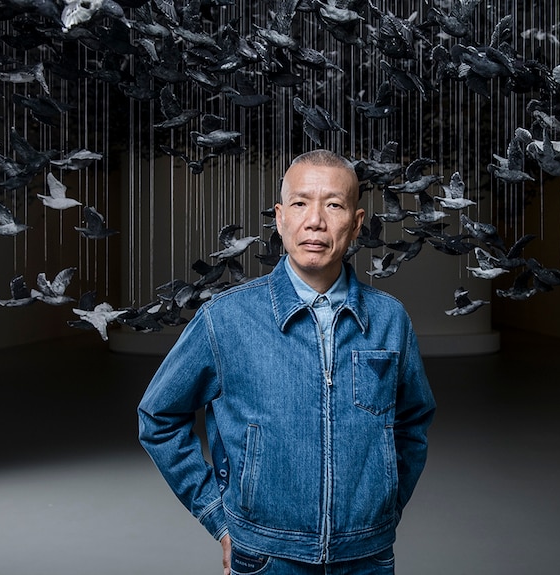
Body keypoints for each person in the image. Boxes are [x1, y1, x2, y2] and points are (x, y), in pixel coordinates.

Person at [138, 149, 436, 574]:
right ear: (280, 218)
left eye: (333, 204)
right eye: (300, 203)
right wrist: (217, 518)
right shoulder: (225, 319)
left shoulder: (389, 318)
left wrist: (381, 505)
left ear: (356, 223)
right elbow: (158, 417)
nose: (315, 220)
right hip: (265, 555)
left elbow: (412, 422)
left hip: (366, 557)